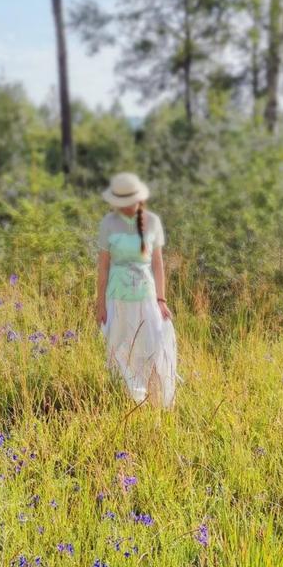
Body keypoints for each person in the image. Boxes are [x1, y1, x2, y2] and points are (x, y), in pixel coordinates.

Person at [96, 172, 180, 410]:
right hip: (117, 298)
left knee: (154, 345)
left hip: (146, 297)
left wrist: (161, 300)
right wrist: (100, 303)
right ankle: (131, 401)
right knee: (120, 348)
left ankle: (155, 402)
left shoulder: (152, 221)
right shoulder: (108, 223)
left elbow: (157, 264)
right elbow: (103, 266)